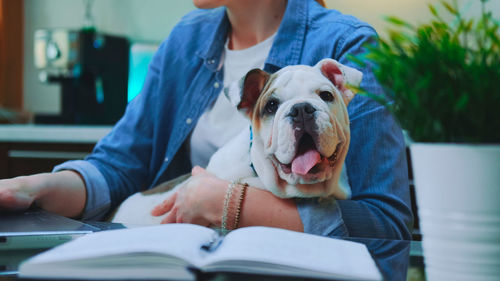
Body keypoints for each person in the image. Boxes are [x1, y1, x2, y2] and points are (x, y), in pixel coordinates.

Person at [0, 0, 412, 239]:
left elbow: (385, 223)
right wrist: (33, 186)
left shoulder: (348, 43)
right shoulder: (187, 39)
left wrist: (230, 204)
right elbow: (119, 166)